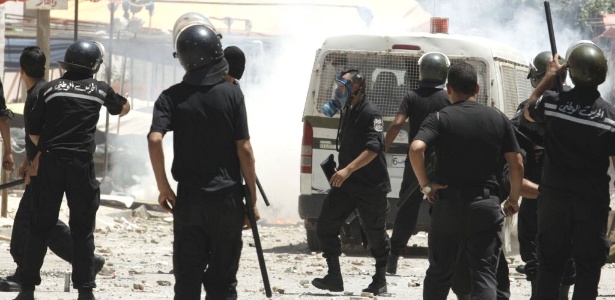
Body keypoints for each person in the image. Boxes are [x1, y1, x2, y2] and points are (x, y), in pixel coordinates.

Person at [148, 22, 258, 300]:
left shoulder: (169, 97)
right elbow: (244, 149)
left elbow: (154, 139)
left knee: (187, 281)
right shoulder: (232, 94)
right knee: (223, 284)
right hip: (227, 200)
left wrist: (163, 188)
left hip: (189, 201)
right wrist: (252, 202)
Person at [14, 40, 130, 300]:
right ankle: (85, 290)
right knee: (82, 229)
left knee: (40, 226)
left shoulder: (50, 89)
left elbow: (33, 133)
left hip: (50, 163)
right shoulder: (99, 89)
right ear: (94, 65)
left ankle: (27, 289)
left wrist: (42, 155)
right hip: (80, 165)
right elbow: (123, 108)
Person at [410, 62, 523, 299]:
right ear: (478, 88)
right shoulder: (497, 118)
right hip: (485, 205)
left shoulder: (439, 118)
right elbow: (516, 163)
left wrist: (426, 185)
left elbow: (416, 149)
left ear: (449, 89)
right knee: (483, 273)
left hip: (448, 206)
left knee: (439, 272)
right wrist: (513, 199)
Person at [3, 46, 106, 292]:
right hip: (44, 166)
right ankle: (82, 265)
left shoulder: (43, 94)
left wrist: (35, 162)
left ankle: (27, 275)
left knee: (34, 223)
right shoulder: (45, 91)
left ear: (21, 69)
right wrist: (29, 161)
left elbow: (49, 136)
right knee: (36, 221)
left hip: (47, 168)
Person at [522, 41, 614, 299]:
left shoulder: (552, 103)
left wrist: (549, 76)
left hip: (554, 201)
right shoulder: (610, 116)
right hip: (592, 203)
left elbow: (528, 111)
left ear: (569, 72)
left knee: (549, 266)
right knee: (588, 268)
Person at [311, 68, 391, 295]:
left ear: (357, 88)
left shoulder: (371, 113)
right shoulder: (347, 110)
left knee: (375, 233)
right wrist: (342, 172)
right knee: (325, 226)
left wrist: (347, 170)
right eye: (337, 86)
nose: (338, 91)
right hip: (346, 184)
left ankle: (380, 279)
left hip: (370, 185)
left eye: (342, 86)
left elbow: (374, 149)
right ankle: (334, 277)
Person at [384, 52, 450, 275]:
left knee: (407, 210)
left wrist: (383, 147)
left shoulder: (411, 96)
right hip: (441, 162)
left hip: (416, 161)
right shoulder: (447, 97)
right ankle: (437, 261)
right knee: (441, 210)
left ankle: (393, 258)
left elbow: (396, 124)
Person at [515, 51, 575, 299]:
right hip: (569, 198)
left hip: (537, 197)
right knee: (565, 258)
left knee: (537, 260)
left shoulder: (532, 112)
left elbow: (528, 113)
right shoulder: (579, 107)